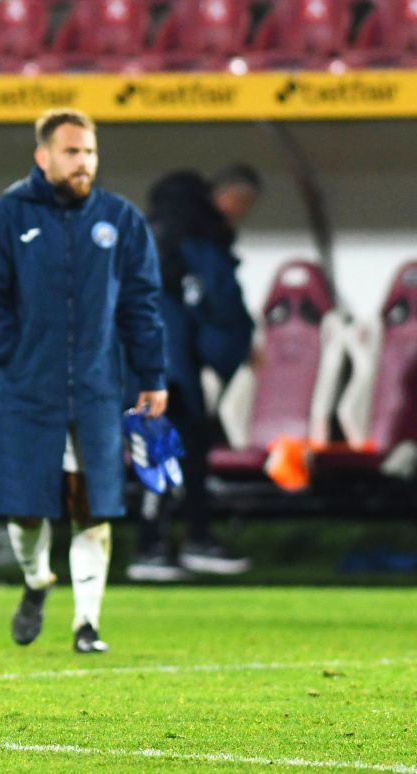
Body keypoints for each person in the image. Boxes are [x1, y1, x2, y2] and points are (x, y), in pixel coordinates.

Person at [0, 108, 166, 654]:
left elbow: (142, 305)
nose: (84, 163)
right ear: (44, 156)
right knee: (27, 507)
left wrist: (152, 375)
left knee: (91, 505)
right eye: (72, 152)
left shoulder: (121, 221)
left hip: (97, 392)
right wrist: (16, 359)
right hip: (26, 390)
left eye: (90, 153)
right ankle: (37, 581)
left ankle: (87, 624)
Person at [127, 166, 258, 581]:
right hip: (172, 372)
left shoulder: (141, 240)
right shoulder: (198, 245)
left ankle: (165, 543)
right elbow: (223, 310)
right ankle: (167, 545)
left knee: (161, 451)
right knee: (182, 450)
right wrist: (232, 352)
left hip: (134, 368)